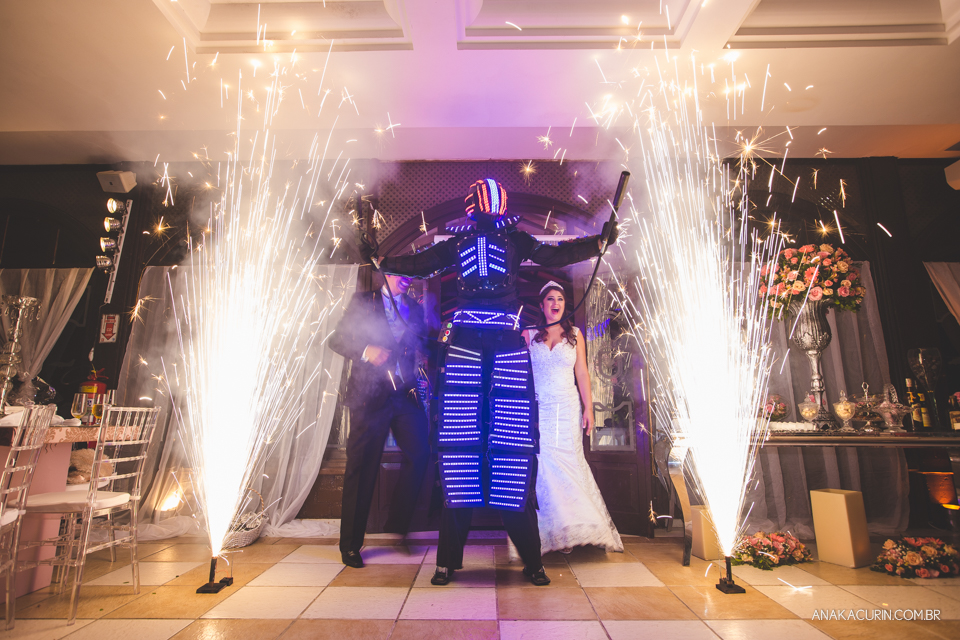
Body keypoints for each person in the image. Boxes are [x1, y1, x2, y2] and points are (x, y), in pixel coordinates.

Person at [368, 178, 619, 586]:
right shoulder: (461, 246)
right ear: (477, 211)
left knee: (512, 457)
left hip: (502, 349)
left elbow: (559, 253)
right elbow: (419, 263)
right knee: (461, 456)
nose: (487, 218)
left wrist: (596, 243)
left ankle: (532, 562)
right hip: (468, 350)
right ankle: (449, 562)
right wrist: (382, 261)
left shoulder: (517, 242)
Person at [328, 274, 431, 568]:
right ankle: (350, 544)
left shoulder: (415, 306)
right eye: (400, 272)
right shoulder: (364, 301)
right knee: (362, 468)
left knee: (421, 452)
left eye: (409, 274)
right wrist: (365, 351)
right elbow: (335, 339)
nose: (407, 278)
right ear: (385, 273)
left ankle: (397, 523)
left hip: (404, 394)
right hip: (368, 397)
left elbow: (422, 344)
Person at [523, 282, 623, 554]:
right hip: (540, 409)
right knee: (544, 465)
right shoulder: (528, 335)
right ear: (542, 305)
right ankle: (551, 531)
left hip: (567, 408)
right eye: (550, 299)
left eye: (560, 299)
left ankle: (577, 528)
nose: (555, 303)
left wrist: (589, 409)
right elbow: (521, 376)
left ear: (565, 305)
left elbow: (582, 374)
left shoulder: (575, 334)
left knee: (569, 463)